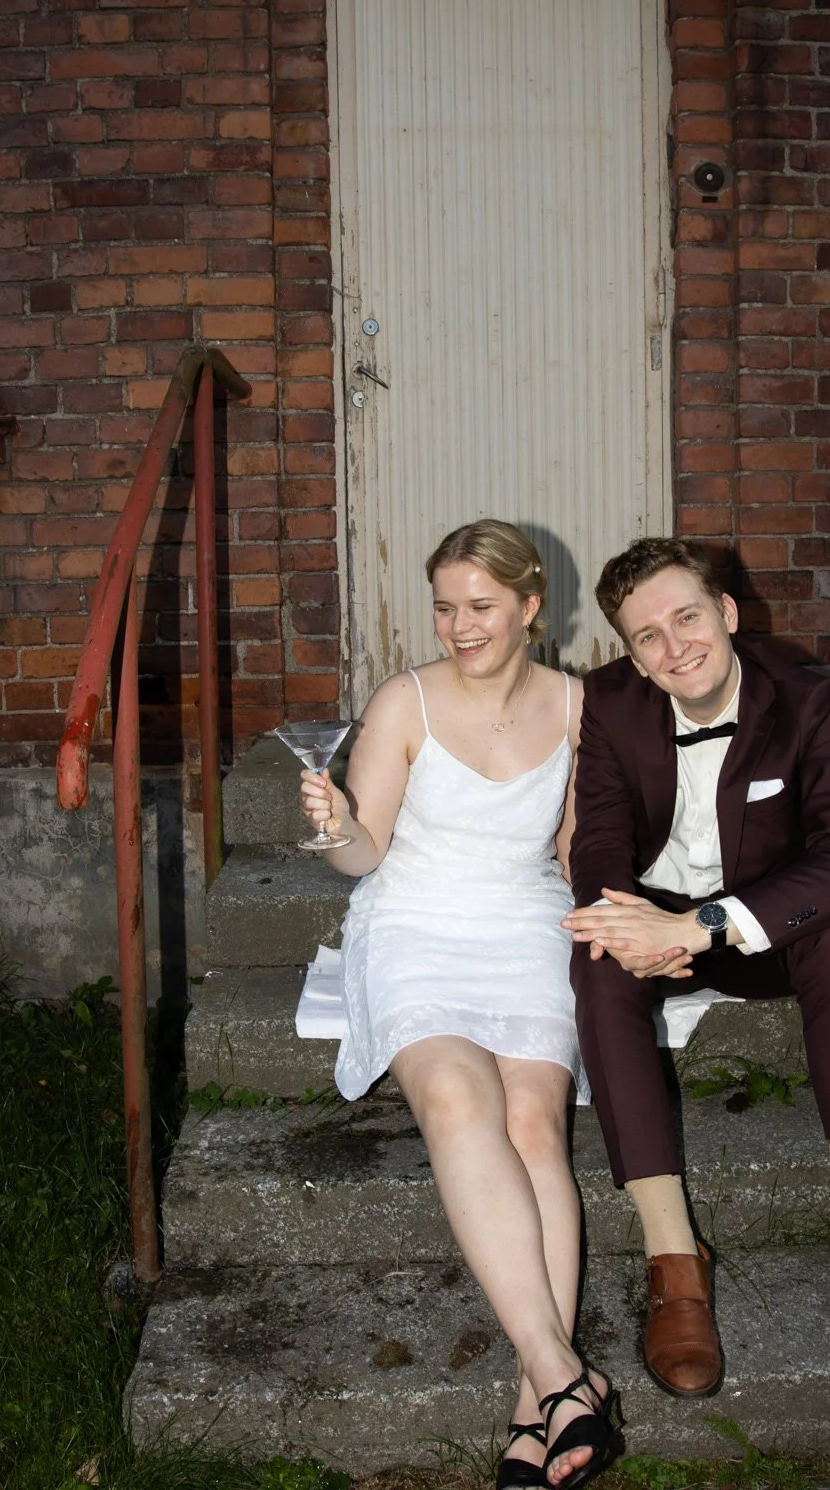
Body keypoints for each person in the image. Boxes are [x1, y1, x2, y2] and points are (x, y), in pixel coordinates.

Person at [298, 520, 628, 1490]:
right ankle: (564, 1375)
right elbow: (363, 854)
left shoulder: (579, 705)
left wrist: (619, 918)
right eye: (445, 607)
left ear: (531, 606)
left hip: (522, 916)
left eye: (481, 605)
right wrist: (336, 827)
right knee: (454, 1098)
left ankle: (536, 1403)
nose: (460, 625)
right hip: (414, 919)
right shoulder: (403, 700)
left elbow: (571, 850)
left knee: (532, 1121)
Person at [563, 535, 830, 1400]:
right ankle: (673, 1258)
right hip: (658, 915)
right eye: (647, 635)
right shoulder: (610, 703)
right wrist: (624, 921)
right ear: (631, 654)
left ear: (726, 613)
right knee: (597, 962)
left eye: (687, 618)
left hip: (759, 923)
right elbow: (600, 837)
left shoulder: (810, 698)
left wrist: (703, 928)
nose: (674, 646)